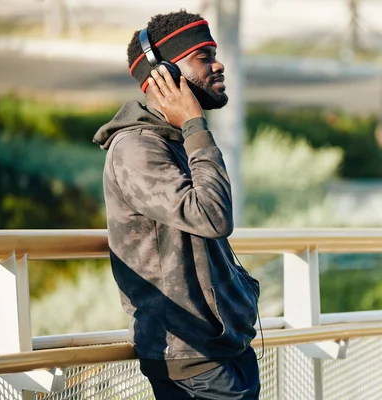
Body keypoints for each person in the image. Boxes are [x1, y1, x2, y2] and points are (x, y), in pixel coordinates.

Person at [92, 10, 261, 400]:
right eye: (203, 56)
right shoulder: (136, 148)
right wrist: (195, 126)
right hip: (192, 361)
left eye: (214, 52)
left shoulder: (174, 140)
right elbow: (212, 216)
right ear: (164, 74)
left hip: (223, 351)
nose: (218, 64)